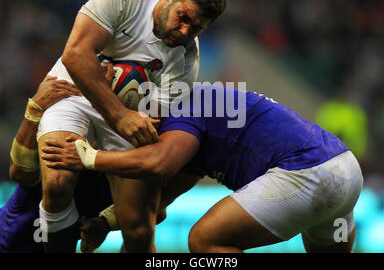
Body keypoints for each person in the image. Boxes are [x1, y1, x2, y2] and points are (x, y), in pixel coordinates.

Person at [37, 0, 227, 252]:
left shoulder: (186, 60)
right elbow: (76, 55)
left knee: (138, 228)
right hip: (75, 90)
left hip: (132, 114)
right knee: (57, 180)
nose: (185, 31)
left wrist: (121, 120)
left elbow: (150, 118)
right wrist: (118, 114)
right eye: (183, 18)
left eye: (196, 28)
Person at [42, 85, 364, 253]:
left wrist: (89, 158)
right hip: (344, 169)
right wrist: (105, 221)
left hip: (306, 173)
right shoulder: (203, 121)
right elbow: (162, 199)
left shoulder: (183, 108)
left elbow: (161, 161)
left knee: (204, 242)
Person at [1, 68, 115, 253]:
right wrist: (34, 110)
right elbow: (20, 174)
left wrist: (106, 222)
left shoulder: (128, 155)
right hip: (9, 243)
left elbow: (154, 206)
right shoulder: (64, 131)